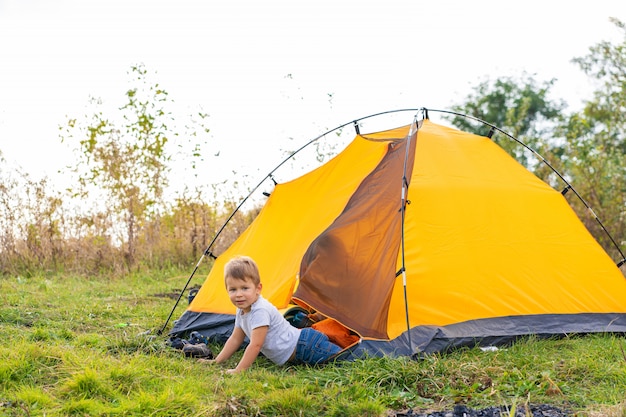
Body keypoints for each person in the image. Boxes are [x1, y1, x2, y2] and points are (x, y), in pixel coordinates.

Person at [200, 255, 342, 374]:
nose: (239, 294)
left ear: (258, 288)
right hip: (299, 349)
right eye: (233, 290)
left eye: (244, 288)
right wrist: (216, 362)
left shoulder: (259, 310)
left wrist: (239, 370)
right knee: (341, 358)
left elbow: (255, 345)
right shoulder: (242, 309)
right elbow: (235, 339)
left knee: (346, 359)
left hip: (306, 346)